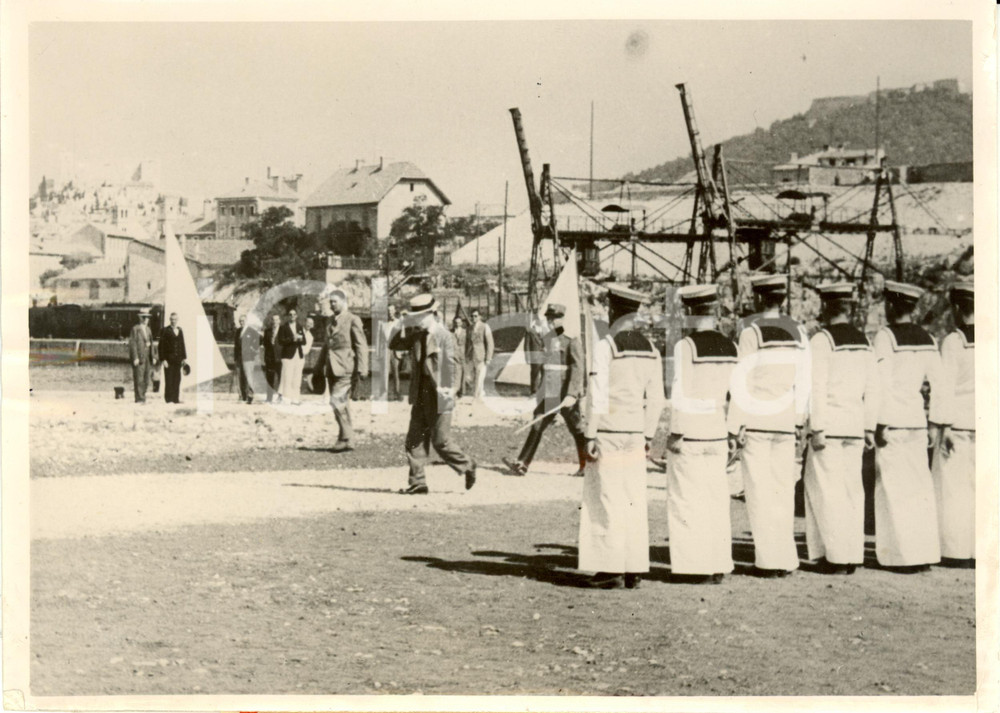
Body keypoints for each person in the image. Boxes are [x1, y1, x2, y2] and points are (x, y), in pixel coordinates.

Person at [578, 284, 665, 589]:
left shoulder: (607, 345)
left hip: (609, 431)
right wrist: (649, 433)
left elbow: (597, 394)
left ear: (613, 310)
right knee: (633, 499)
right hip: (635, 432)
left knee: (606, 497)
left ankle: (609, 567)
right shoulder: (650, 349)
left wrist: (589, 433)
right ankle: (634, 567)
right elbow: (657, 398)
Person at [727, 274, 809, 578]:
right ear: (782, 299)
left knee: (760, 492)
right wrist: (800, 420)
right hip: (786, 422)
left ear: (760, 299)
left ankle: (769, 560)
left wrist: (734, 426)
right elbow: (804, 381)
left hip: (758, 421)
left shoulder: (752, 332)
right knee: (782, 491)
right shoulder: (799, 332)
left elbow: (742, 381)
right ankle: (785, 558)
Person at [804, 283, 879, 575]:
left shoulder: (821, 340)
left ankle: (834, 556)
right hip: (855, 427)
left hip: (830, 426)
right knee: (852, 492)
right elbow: (873, 388)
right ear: (848, 308)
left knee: (826, 491)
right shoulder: (864, 342)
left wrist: (817, 427)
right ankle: (850, 556)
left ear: (825, 307)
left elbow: (816, 387)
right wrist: (869, 426)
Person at [664, 284, 738, 584]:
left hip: (692, 433)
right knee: (716, 500)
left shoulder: (686, 347)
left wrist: (675, 432)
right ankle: (718, 563)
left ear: (690, 312)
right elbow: (737, 394)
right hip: (718, 433)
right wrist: (733, 430)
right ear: (714, 310)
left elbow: (680, 392)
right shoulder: (731, 346)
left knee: (686, 500)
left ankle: (694, 566)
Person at [873, 280, 943, 572]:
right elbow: (940, 384)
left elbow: (881, 383)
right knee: (919, 487)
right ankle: (924, 552)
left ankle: (900, 556)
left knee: (893, 488)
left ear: (891, 306)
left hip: (894, 421)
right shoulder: (928, 338)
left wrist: (880, 422)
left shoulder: (886, 337)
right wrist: (935, 423)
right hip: (916, 420)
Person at [389, 293, 477, 495]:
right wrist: (401, 323)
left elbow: (456, 365)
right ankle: (418, 482)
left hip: (440, 394)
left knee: (441, 441)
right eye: (414, 316)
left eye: (419, 316)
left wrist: (453, 390)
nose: (416, 319)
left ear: (432, 314)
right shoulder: (415, 334)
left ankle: (468, 465)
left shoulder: (445, 336)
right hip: (420, 393)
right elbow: (394, 344)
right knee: (414, 440)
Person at [503, 303, 588, 478]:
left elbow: (578, 368)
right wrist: (536, 390)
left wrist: (573, 394)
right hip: (549, 391)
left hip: (565, 394)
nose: (551, 322)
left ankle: (587, 465)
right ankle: (522, 464)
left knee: (577, 428)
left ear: (562, 319)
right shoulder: (547, 339)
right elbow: (541, 367)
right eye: (549, 318)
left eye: (554, 319)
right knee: (537, 423)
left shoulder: (571, 339)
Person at [932, 279, 975, 568]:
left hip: (957, 424)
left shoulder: (953, 340)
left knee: (952, 489)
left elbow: (943, 386)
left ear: (957, 308)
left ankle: (955, 550)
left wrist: (941, 426)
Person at [324, 289, 368, 452]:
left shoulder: (353, 319)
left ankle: (348, 436)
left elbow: (361, 344)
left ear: (343, 301)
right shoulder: (329, 321)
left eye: (334, 301)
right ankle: (344, 438)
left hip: (346, 367)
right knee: (342, 404)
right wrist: (316, 369)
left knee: (335, 401)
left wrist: (363, 368)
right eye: (330, 302)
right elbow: (325, 347)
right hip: (331, 367)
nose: (331, 304)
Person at [278, 308, 308, 405]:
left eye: (294, 314)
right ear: (288, 316)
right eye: (290, 314)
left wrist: (299, 339)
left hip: (298, 355)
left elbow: (304, 342)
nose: (292, 316)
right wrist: (292, 339)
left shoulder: (299, 327)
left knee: (297, 378)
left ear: (296, 316)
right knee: (288, 377)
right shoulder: (283, 327)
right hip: (287, 356)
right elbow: (280, 341)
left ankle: (295, 399)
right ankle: (286, 399)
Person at [159, 312, 187, 404]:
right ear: (169, 320)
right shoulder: (165, 330)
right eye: (172, 319)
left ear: (177, 320)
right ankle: (168, 399)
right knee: (169, 379)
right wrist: (163, 359)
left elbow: (182, 345)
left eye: (175, 319)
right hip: (169, 360)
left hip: (178, 360)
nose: (173, 321)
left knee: (177, 379)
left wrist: (183, 358)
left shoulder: (180, 330)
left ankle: (176, 399)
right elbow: (161, 346)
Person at [128, 308, 154, 403]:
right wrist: (135, 357)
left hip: (147, 357)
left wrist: (153, 356)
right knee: (139, 378)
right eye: (145, 317)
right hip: (139, 357)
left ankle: (143, 395)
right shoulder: (135, 329)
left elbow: (151, 343)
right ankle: (139, 398)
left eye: (147, 318)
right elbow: (133, 344)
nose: (147, 320)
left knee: (146, 378)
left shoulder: (148, 330)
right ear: (141, 318)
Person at [466, 308, 494, 399]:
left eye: (475, 316)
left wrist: (488, 357)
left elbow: (490, 343)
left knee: (480, 375)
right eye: (472, 316)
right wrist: (466, 354)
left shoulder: (485, 326)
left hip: (481, 355)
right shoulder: (470, 328)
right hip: (471, 354)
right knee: (469, 377)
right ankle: (481, 392)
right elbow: (468, 342)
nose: (473, 318)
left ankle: (476, 395)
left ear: (480, 317)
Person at [233, 315, 254, 404]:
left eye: (243, 321)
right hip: (239, 357)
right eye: (240, 321)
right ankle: (242, 396)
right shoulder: (238, 331)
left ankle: (250, 395)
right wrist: (235, 357)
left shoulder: (251, 331)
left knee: (248, 377)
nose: (241, 322)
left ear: (246, 321)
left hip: (248, 357)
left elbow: (259, 340)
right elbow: (236, 345)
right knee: (240, 377)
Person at [262, 313, 282, 403]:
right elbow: (265, 344)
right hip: (270, 359)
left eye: (277, 320)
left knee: (281, 378)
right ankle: (269, 398)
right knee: (269, 378)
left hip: (280, 358)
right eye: (273, 320)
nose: (275, 322)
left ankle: (280, 397)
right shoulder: (267, 331)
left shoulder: (283, 330)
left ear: (279, 321)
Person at [450, 316, 468, 399]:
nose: (457, 324)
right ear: (454, 323)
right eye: (456, 323)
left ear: (461, 323)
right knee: (455, 374)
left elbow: (468, 344)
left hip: (463, 355)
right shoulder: (450, 332)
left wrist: (467, 354)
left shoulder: (465, 332)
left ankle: (462, 392)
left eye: (459, 322)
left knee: (463, 373)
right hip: (453, 356)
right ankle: (455, 391)